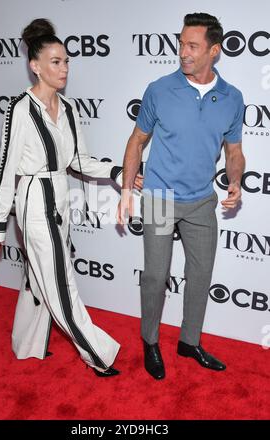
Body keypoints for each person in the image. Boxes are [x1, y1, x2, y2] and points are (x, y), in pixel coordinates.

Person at [0, 18, 142, 377]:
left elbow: (79, 161)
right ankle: (98, 354)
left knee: (38, 278)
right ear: (35, 66)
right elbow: (7, 168)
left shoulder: (69, 109)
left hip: (60, 198)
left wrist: (119, 173)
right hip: (33, 200)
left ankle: (25, 344)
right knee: (60, 281)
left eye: (67, 61)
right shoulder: (21, 109)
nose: (64, 68)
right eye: (55, 61)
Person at [118, 12, 245, 379]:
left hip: (202, 200)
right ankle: (150, 341)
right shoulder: (159, 89)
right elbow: (137, 140)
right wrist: (127, 188)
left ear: (214, 50)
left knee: (201, 274)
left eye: (192, 45)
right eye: (181, 43)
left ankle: (189, 342)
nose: (183, 51)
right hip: (158, 196)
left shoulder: (232, 98)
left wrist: (234, 179)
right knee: (156, 276)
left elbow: (234, 150)